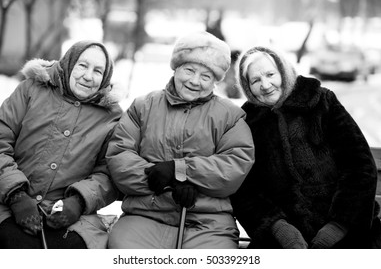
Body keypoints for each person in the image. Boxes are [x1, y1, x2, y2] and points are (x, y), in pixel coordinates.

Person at [106, 31, 255, 249]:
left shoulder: (230, 116)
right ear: (176, 68)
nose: (195, 81)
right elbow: (120, 156)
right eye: (189, 70)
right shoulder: (143, 106)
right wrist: (166, 182)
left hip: (207, 222)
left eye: (206, 77)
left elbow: (235, 164)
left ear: (215, 81)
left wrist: (182, 170)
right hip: (146, 214)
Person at [231, 46, 380, 249]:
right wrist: (280, 230)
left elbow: (360, 167)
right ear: (248, 88)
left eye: (270, 74)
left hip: (346, 232)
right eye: (255, 80)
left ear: (283, 72)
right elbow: (245, 189)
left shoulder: (322, 102)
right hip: (283, 241)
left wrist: (337, 228)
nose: (265, 85)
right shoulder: (248, 122)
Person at [0, 40, 122, 249]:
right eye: (82, 65)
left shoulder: (112, 116)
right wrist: (16, 195)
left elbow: (110, 172)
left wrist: (79, 201)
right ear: (69, 63)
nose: (88, 76)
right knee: (13, 244)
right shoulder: (31, 90)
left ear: (105, 77)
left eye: (98, 71)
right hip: (4, 201)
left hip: (66, 214)